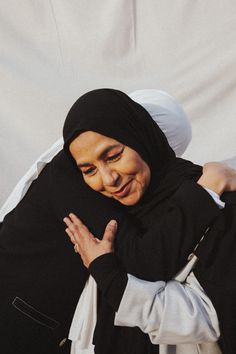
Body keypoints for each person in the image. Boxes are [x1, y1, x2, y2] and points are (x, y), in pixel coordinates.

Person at [0, 89, 209, 354]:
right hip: (18, 318)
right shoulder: (72, 176)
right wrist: (205, 193)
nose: (110, 178)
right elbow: (143, 260)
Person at [62, 88, 236, 354]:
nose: (109, 180)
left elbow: (209, 319)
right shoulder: (110, 221)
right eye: (89, 170)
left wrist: (112, 278)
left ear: (140, 137)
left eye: (114, 156)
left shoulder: (220, 204)